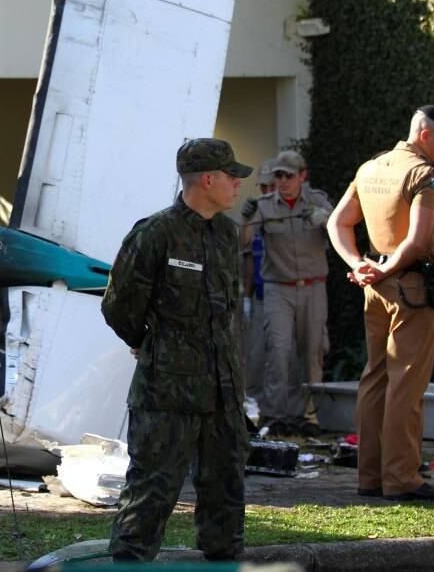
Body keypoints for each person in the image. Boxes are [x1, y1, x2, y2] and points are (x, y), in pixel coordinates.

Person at [102, 138, 252, 562]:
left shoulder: (226, 233)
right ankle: (129, 563)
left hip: (223, 390)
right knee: (152, 489)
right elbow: (118, 304)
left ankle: (225, 560)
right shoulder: (155, 234)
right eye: (231, 176)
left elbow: (225, 312)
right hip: (167, 391)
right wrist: (147, 342)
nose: (238, 184)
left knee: (226, 487)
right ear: (207, 180)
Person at [327, 105, 434, 501]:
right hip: (411, 287)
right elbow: (417, 240)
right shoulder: (423, 175)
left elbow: (337, 222)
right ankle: (402, 478)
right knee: (407, 383)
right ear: (425, 135)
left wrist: (359, 264)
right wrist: (383, 270)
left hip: (375, 287)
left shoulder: (372, 168)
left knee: (375, 377)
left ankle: (370, 477)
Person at [242, 149, 332, 436]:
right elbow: (243, 241)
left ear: (302, 176)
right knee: (278, 350)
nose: (282, 181)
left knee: (312, 351)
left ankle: (309, 416)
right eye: (278, 175)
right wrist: (245, 219)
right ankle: (275, 415)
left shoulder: (317, 201)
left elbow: (343, 233)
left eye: (288, 176)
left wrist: (327, 220)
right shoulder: (265, 205)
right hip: (278, 287)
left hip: (313, 285)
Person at [241, 158, 276, 402]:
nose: (267, 192)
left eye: (271, 186)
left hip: (283, 291)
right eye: (263, 187)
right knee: (255, 353)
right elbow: (245, 249)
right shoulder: (256, 213)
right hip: (260, 294)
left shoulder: (288, 214)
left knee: (284, 354)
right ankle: (255, 401)